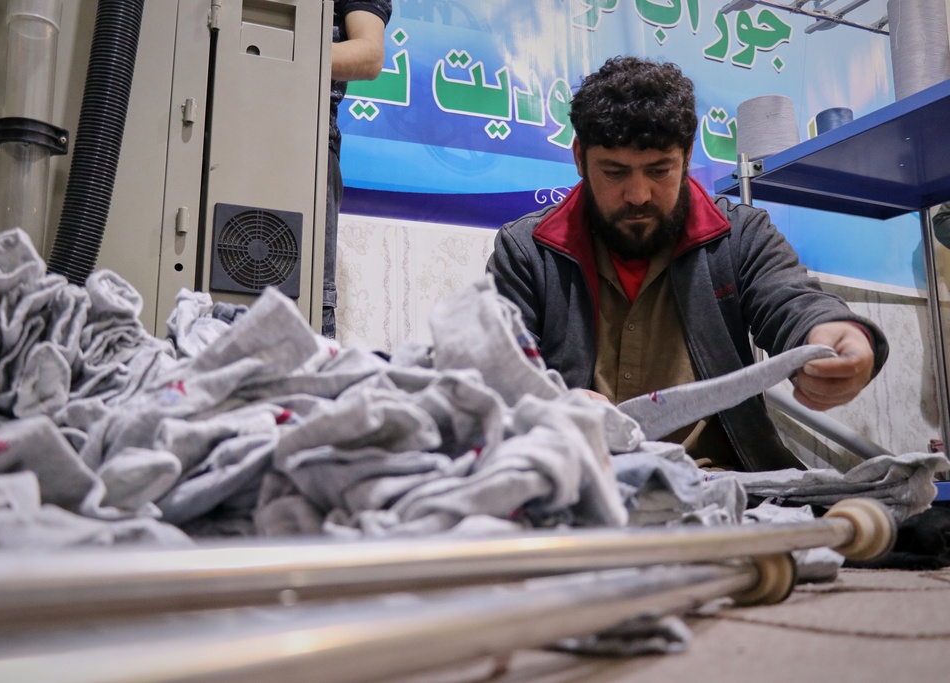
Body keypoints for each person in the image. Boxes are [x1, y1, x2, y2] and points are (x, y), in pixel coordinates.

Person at [486, 56, 889, 472]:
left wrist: (836, 334)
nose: (639, 194)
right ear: (579, 158)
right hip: (579, 483)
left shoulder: (739, 236)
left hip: (726, 487)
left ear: (687, 156)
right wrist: (553, 405)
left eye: (660, 170)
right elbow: (499, 377)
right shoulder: (526, 251)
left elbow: (792, 300)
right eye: (614, 172)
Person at [324, 1, 392, 339]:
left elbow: (369, 54)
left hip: (308, 139)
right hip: (207, 114)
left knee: (302, 298)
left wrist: (279, 44)